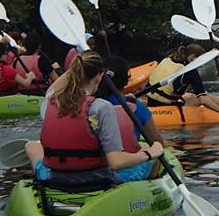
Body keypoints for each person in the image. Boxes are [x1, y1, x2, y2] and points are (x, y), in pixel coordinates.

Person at [25, 51, 164, 191]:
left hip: (55, 178)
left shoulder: (51, 102)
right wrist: (150, 153)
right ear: (99, 77)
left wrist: (79, 64)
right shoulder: (102, 107)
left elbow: (54, 88)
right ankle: (151, 189)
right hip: (96, 181)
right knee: (154, 148)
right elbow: (115, 162)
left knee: (31, 146)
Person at [102, 55, 167, 180]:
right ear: (126, 81)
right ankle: (153, 180)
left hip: (97, 169)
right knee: (155, 147)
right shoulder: (136, 107)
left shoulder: (90, 103)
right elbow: (157, 141)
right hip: (126, 171)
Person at [146, 44, 219, 121]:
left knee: (193, 95)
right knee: (204, 96)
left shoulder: (169, 59)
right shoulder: (190, 71)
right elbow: (203, 100)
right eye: (200, 62)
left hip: (151, 102)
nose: (200, 66)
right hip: (166, 107)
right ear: (193, 57)